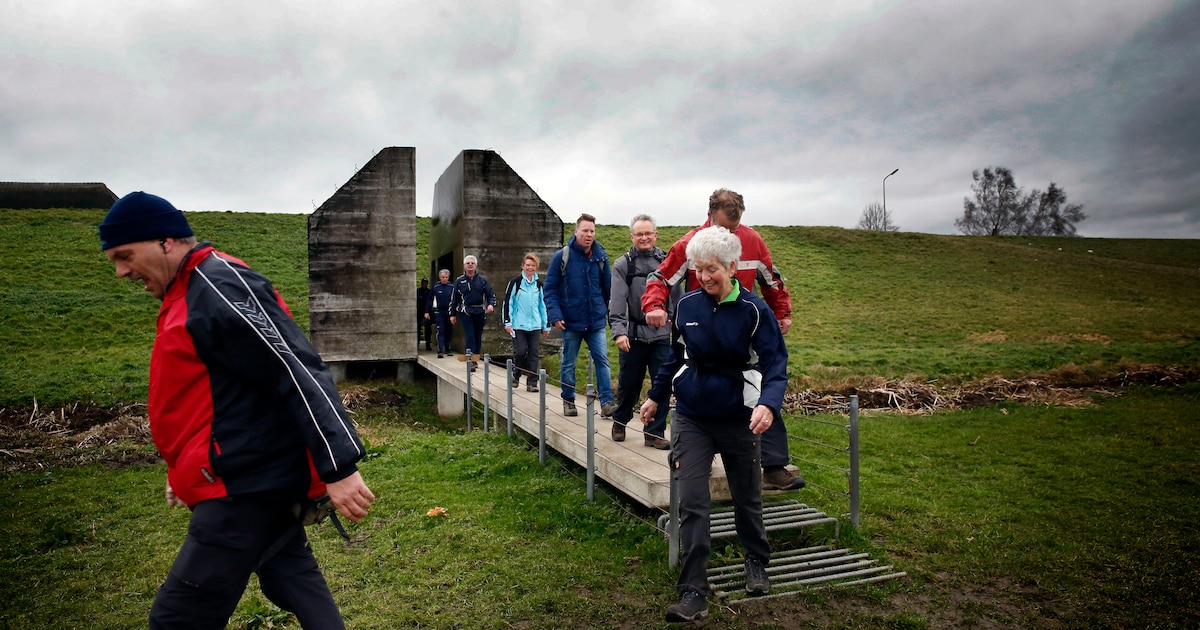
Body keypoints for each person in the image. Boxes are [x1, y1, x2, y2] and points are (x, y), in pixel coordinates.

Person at [98, 191, 375, 629]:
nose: (120, 272)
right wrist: (181, 469)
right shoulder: (189, 290)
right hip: (242, 474)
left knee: (177, 619)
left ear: (165, 241)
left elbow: (293, 367)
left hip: (242, 486)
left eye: (124, 256)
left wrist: (338, 466)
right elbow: (213, 396)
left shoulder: (218, 286)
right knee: (292, 579)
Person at [639, 226, 786, 622]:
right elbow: (674, 357)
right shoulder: (687, 307)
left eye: (712, 269)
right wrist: (655, 396)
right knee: (692, 502)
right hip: (693, 416)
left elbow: (776, 363)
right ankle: (692, 591)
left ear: (732, 268)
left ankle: (755, 561)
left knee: (746, 497)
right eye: (699, 269)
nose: (704, 277)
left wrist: (769, 404)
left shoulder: (755, 311)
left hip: (740, 416)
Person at [642, 188, 804, 491]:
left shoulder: (752, 241)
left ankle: (773, 465)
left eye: (735, 227)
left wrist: (782, 312)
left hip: (743, 329)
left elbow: (772, 279)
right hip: (702, 330)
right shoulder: (690, 244)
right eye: (724, 227)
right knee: (697, 391)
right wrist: (653, 305)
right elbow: (660, 278)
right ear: (709, 216)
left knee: (762, 393)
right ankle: (696, 457)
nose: (730, 234)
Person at [608, 214, 678, 449]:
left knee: (662, 384)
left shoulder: (667, 262)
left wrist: (677, 327)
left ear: (655, 235)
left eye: (648, 233)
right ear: (632, 237)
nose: (644, 237)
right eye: (640, 234)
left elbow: (676, 298)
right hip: (632, 336)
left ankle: (654, 432)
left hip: (661, 335)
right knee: (629, 384)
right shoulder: (623, 265)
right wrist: (619, 332)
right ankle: (620, 420)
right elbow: (617, 302)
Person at [544, 213, 616, 418]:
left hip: (595, 321)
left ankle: (607, 403)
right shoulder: (562, 257)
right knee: (569, 362)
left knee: (603, 360)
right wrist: (555, 315)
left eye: (592, 231)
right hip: (570, 322)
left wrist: (612, 316)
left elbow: (608, 290)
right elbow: (550, 289)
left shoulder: (601, 257)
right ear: (576, 231)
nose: (589, 234)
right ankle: (568, 400)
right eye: (585, 230)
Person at [502, 253, 551, 391]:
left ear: (536, 267)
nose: (530, 268)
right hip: (518, 325)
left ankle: (532, 383)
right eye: (528, 265)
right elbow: (508, 303)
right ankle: (516, 374)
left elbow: (543, 306)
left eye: (533, 265)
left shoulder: (539, 285)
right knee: (520, 352)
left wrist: (546, 325)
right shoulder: (515, 283)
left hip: (534, 325)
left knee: (534, 353)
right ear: (523, 266)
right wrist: (507, 322)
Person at [449, 254, 495, 372]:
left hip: (479, 311)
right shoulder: (459, 281)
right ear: (464, 265)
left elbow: (490, 295)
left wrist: (490, 304)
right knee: (469, 335)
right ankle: (471, 361)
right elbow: (454, 299)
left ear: (475, 265)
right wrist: (452, 314)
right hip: (466, 311)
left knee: (477, 336)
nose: (470, 265)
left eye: (472, 263)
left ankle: (475, 357)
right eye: (468, 263)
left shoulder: (482, 280)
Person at [426, 269, 455, 358]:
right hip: (439, 311)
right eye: (443, 277)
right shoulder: (435, 287)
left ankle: (448, 348)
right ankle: (440, 350)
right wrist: (427, 311)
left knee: (449, 330)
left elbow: (456, 299)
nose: (444, 279)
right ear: (440, 277)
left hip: (449, 311)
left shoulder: (452, 286)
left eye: (446, 277)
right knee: (441, 329)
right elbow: (430, 300)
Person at [416, 277, 432, 351]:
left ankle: (428, 344)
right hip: (419, 313)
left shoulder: (429, 292)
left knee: (428, 329)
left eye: (426, 283)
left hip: (427, 312)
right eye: (423, 283)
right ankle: (417, 344)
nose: (424, 284)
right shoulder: (418, 291)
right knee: (418, 329)